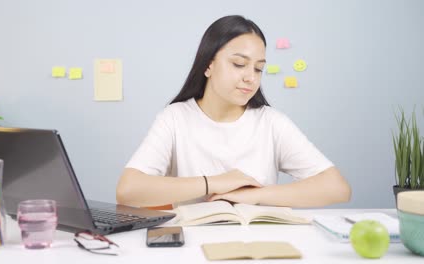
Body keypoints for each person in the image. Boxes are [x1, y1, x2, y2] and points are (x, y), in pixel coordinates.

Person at [116, 15, 351, 208]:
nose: (250, 77)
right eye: (239, 64)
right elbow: (128, 191)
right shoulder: (175, 118)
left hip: (261, 246)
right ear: (208, 64)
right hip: (193, 248)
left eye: (259, 69)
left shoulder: (271, 123)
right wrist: (215, 183)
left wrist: (256, 195)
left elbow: (337, 188)